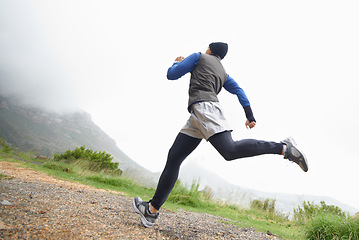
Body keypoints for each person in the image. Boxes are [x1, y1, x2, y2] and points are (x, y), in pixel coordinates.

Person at [133, 42, 308, 228]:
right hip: (197, 116)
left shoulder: (198, 56)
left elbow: (171, 75)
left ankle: (283, 148)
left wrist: (178, 64)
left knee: (229, 150)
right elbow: (239, 90)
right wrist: (249, 115)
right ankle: (151, 210)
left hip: (204, 109)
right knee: (174, 157)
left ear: (210, 49)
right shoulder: (223, 73)